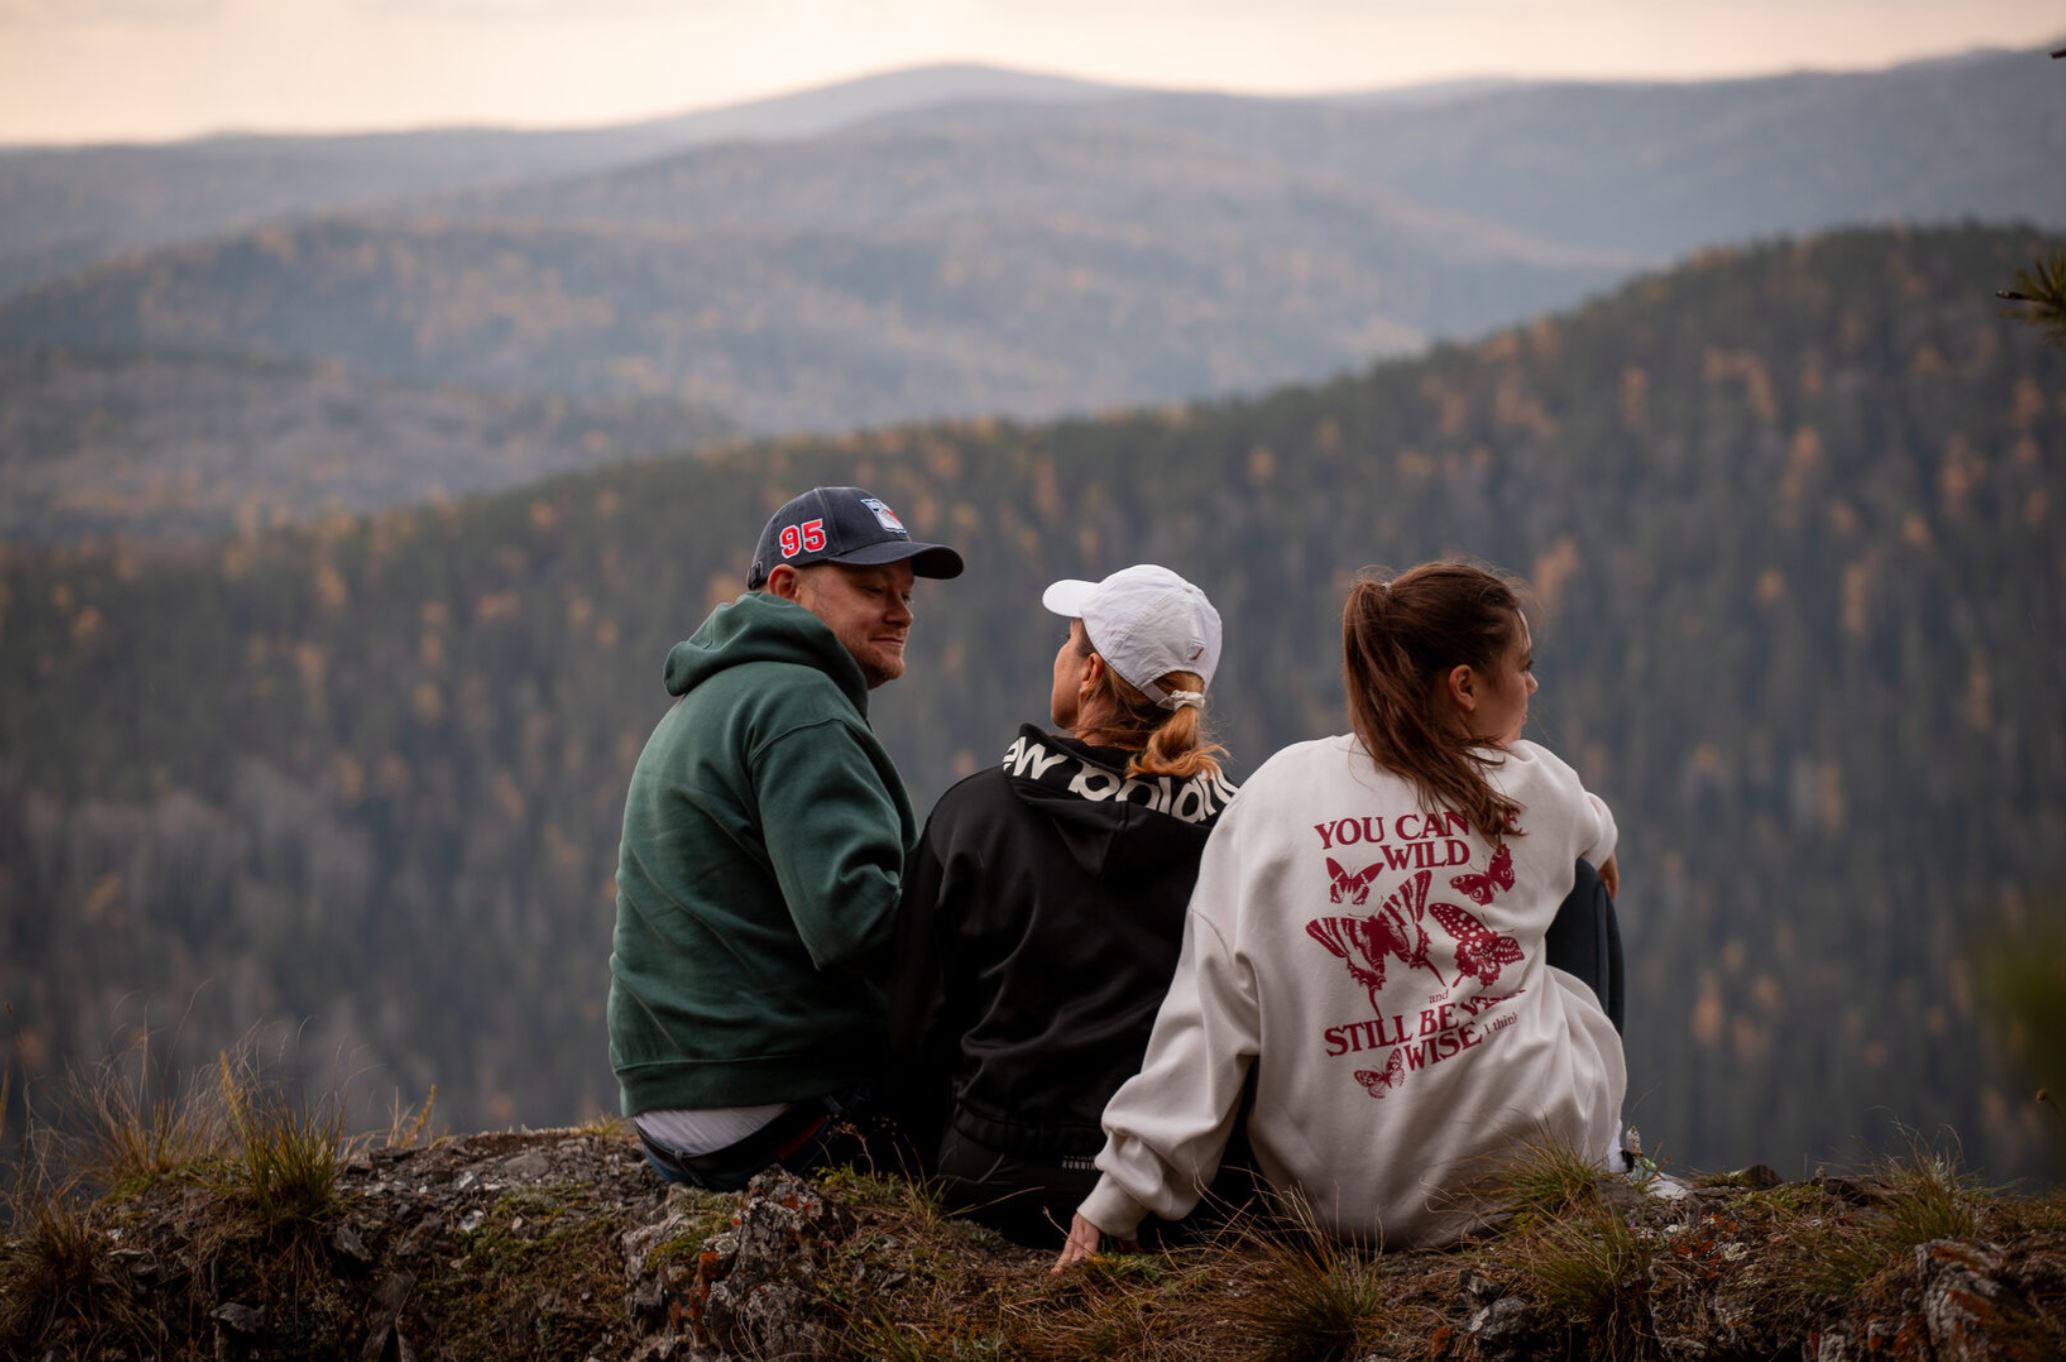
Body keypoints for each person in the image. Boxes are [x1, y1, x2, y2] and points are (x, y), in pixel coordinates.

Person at [1056, 562, 1625, 1264]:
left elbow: (1210, 1012)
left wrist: (1121, 1191)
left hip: (1333, 1199)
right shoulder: (1532, 784)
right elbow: (1591, 824)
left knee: (1255, 970)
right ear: (1466, 687)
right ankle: (1602, 1159)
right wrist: (1597, 847)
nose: (1532, 685)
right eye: (1523, 667)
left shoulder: (1276, 792)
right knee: (1582, 897)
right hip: (1512, 1179)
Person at [608, 486, 962, 1190]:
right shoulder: (799, 705)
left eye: (907, 593)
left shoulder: (712, 697)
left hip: (674, 1114)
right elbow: (857, 929)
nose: (901, 612)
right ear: (786, 587)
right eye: (872, 588)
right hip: (777, 1113)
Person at [890, 565, 1241, 1244]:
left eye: (1070, 638)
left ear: (1089, 674)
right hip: (1169, 1194)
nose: (1060, 651)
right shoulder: (1237, 834)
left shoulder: (977, 815)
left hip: (992, 1170)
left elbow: (915, 1024)